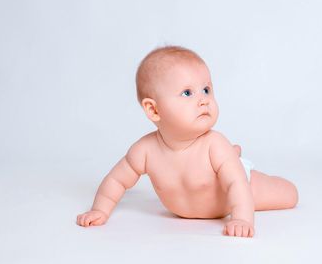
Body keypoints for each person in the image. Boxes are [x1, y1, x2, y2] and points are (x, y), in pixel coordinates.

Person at [76, 45, 298, 237]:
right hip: (220, 170)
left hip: (238, 189)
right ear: (153, 110)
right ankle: (233, 155)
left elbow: (236, 184)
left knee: (289, 195)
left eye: (206, 89)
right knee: (228, 161)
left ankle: (234, 158)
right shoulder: (145, 151)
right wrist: (100, 210)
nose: (203, 100)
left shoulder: (214, 144)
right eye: (187, 93)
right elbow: (116, 181)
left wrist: (242, 218)